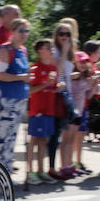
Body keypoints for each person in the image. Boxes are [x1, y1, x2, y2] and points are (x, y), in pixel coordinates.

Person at [0, 18, 31, 180]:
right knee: (0, 139)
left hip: (18, 100)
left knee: (11, 139)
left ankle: (4, 176)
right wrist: (21, 77)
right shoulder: (5, 51)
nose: (24, 34)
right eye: (21, 30)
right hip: (5, 101)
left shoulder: (22, 51)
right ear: (12, 32)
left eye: (26, 31)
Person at [26, 39, 60, 185]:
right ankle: (29, 172)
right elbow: (29, 90)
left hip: (49, 110)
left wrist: (57, 87)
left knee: (43, 140)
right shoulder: (34, 68)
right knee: (34, 140)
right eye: (48, 48)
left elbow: (51, 88)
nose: (52, 50)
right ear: (40, 51)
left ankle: (41, 171)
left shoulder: (54, 68)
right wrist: (45, 84)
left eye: (51, 48)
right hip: (37, 110)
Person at [47, 22, 76, 179]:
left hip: (67, 94)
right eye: (61, 34)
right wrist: (64, 51)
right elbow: (56, 72)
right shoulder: (55, 51)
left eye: (67, 34)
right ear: (56, 36)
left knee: (64, 132)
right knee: (55, 134)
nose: (64, 37)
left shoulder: (70, 52)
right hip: (56, 95)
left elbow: (67, 75)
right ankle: (51, 168)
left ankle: (64, 165)